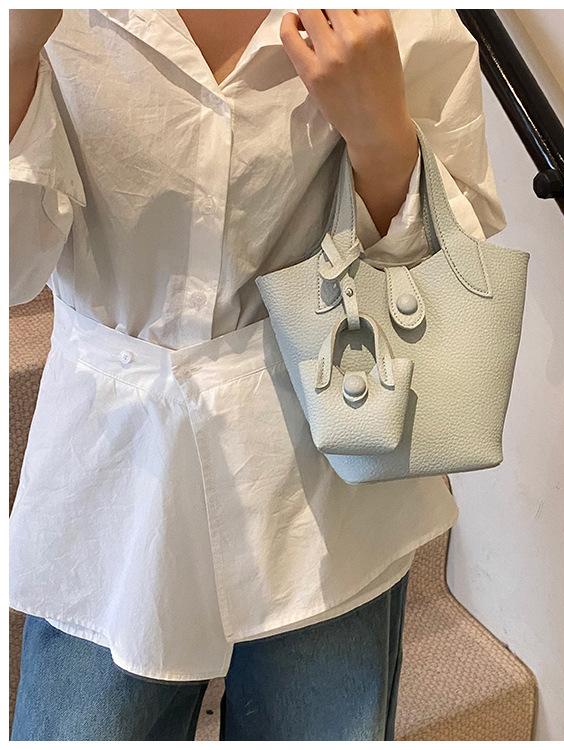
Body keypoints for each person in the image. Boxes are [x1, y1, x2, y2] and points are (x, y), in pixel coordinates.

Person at [9, 9, 506, 741]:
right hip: (110, 485)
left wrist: (380, 139)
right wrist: (15, 55)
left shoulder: (399, 16)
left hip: (328, 473)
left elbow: (455, 271)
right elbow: (13, 274)